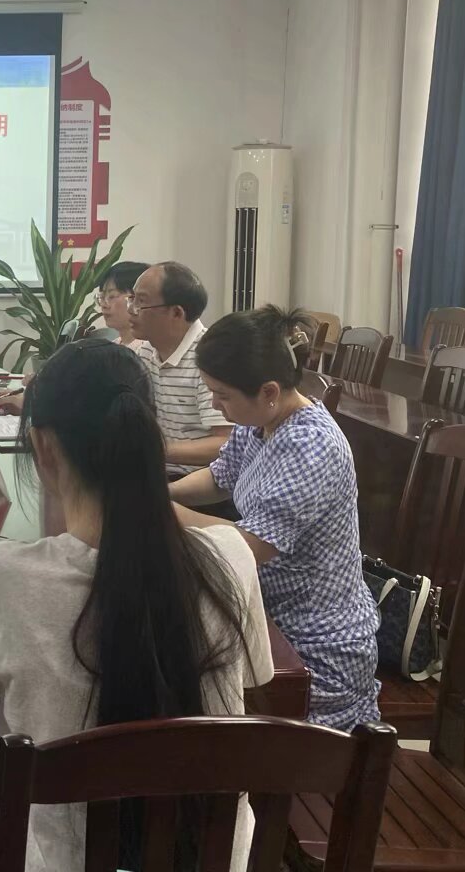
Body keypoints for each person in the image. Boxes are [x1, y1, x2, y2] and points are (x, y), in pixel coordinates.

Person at [0, 339, 271, 872]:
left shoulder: (5, 578)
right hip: (211, 859)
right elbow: (253, 680)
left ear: (42, 447)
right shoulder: (230, 558)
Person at [171, 306, 380, 731]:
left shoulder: (310, 446)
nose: (214, 404)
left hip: (315, 645)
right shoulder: (260, 420)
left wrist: (160, 512)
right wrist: (163, 491)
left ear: (269, 391)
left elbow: (250, 546)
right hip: (268, 615)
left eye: (221, 395)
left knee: (192, 691)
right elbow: (220, 477)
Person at [0, 260, 152, 415]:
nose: (104, 304)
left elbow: (96, 407)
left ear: (137, 299)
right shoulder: (116, 346)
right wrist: (30, 401)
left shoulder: (143, 353)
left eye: (112, 296)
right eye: (102, 297)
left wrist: (32, 404)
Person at [128, 262, 232, 476]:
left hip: (199, 481)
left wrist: (152, 450)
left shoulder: (211, 358)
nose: (131, 310)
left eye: (141, 302)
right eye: (132, 299)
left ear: (176, 313)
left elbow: (225, 442)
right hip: (157, 473)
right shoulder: (145, 352)